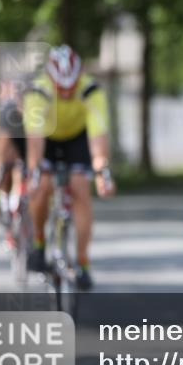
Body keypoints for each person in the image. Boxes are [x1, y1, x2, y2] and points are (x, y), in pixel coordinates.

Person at [23, 45, 115, 290]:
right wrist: (34, 172)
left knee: (80, 188)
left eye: (70, 87)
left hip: (77, 138)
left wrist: (102, 173)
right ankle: (39, 244)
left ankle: (83, 262)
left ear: (80, 77)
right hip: (47, 139)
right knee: (41, 186)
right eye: (60, 87)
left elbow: (98, 137)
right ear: (50, 78)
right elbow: (35, 139)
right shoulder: (38, 91)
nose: (65, 93)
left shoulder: (90, 90)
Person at [0, 97, 27, 250]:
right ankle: (6, 209)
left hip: (30, 137)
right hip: (10, 136)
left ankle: (20, 207)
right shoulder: (8, 114)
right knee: (6, 171)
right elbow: (3, 148)